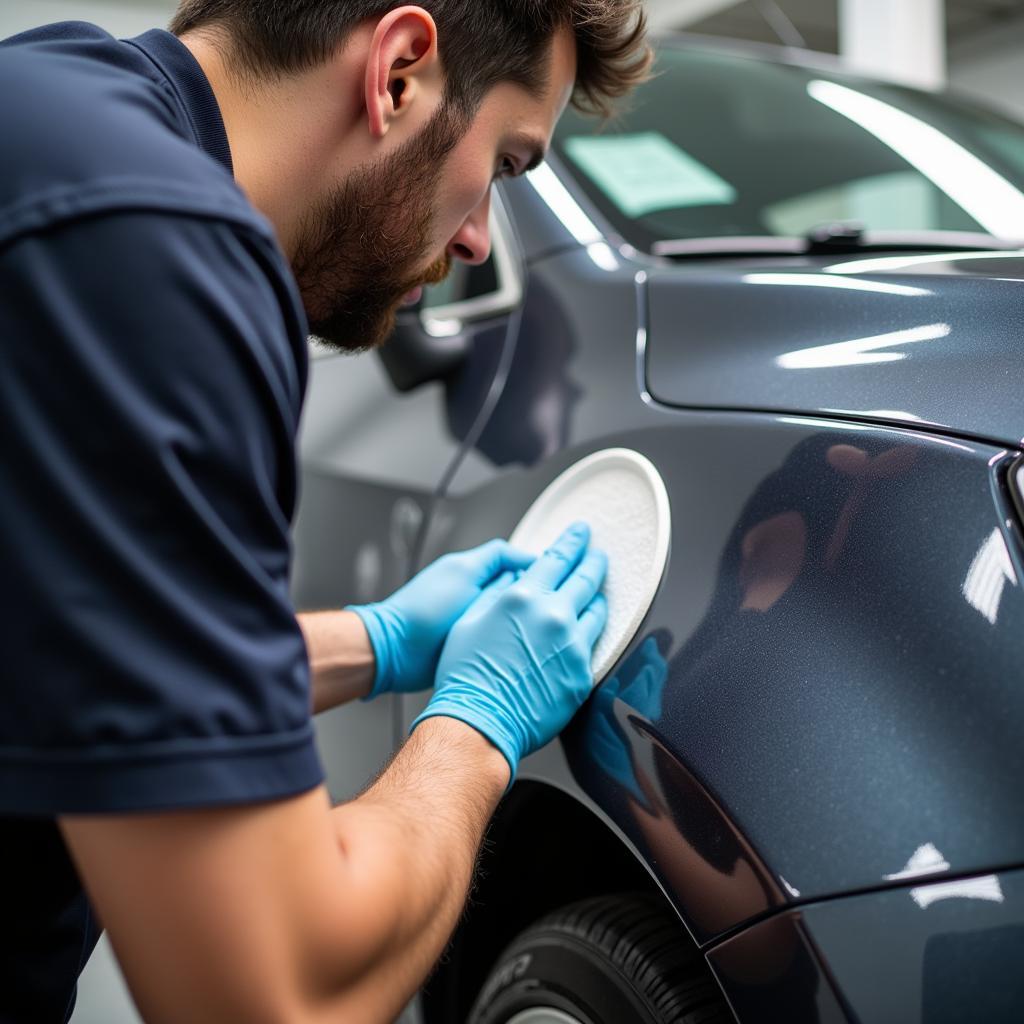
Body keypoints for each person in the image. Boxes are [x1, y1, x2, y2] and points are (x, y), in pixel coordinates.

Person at [0, 1, 650, 1021]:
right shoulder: (155, 250)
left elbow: (55, 656)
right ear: (398, 72)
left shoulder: (55, 105)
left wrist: (378, 641)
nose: (480, 239)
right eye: (510, 164)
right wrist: (478, 725)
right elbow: (272, 994)